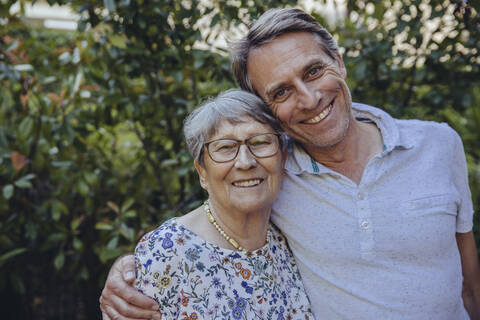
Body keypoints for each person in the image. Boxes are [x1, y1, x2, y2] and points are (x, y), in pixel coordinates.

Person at [100, 8, 480, 320]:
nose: (310, 98)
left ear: (339, 62)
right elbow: (216, 214)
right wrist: (134, 269)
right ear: (268, 110)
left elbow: (469, 280)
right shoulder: (275, 174)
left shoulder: (438, 144)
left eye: (313, 71)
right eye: (281, 91)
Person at [117, 89, 314, 320]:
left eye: (260, 142)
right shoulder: (165, 252)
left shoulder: (290, 239)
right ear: (202, 172)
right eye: (226, 147)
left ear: (282, 160)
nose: (245, 162)